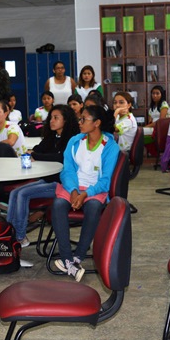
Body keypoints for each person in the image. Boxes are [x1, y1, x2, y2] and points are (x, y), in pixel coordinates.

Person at [51, 104, 119, 282]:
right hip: (72, 186)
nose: (79, 122)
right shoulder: (75, 141)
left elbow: (105, 181)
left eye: (84, 119)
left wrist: (85, 194)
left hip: (96, 189)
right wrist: (74, 190)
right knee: (58, 205)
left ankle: (78, 256)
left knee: (94, 207)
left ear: (97, 123)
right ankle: (67, 258)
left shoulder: (110, 147)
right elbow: (67, 171)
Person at [6, 104, 77, 247]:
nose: (51, 120)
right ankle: (9, 233)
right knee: (14, 192)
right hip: (48, 179)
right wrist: (34, 153)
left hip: (62, 184)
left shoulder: (72, 139)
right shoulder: (53, 136)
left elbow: (60, 157)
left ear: (66, 120)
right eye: (51, 117)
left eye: (56, 118)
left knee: (23, 194)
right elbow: (39, 149)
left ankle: (19, 237)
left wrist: (37, 155)